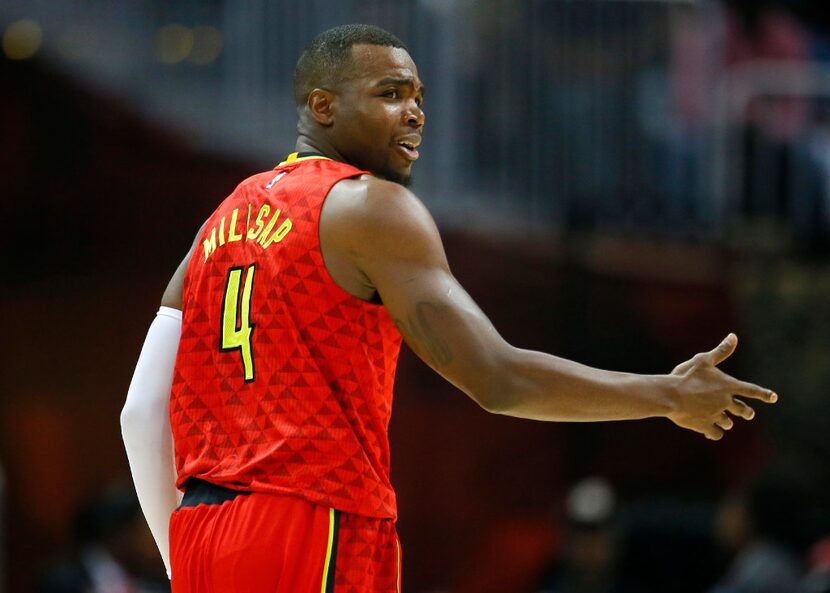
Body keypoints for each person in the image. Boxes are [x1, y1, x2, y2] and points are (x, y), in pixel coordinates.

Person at [120, 23, 778, 593]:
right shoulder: (371, 207)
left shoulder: (223, 218)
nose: (414, 113)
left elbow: (141, 409)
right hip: (310, 520)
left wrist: (183, 557)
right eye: (389, 94)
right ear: (322, 105)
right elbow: (497, 377)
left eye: (418, 97)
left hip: (204, 529)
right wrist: (665, 393)